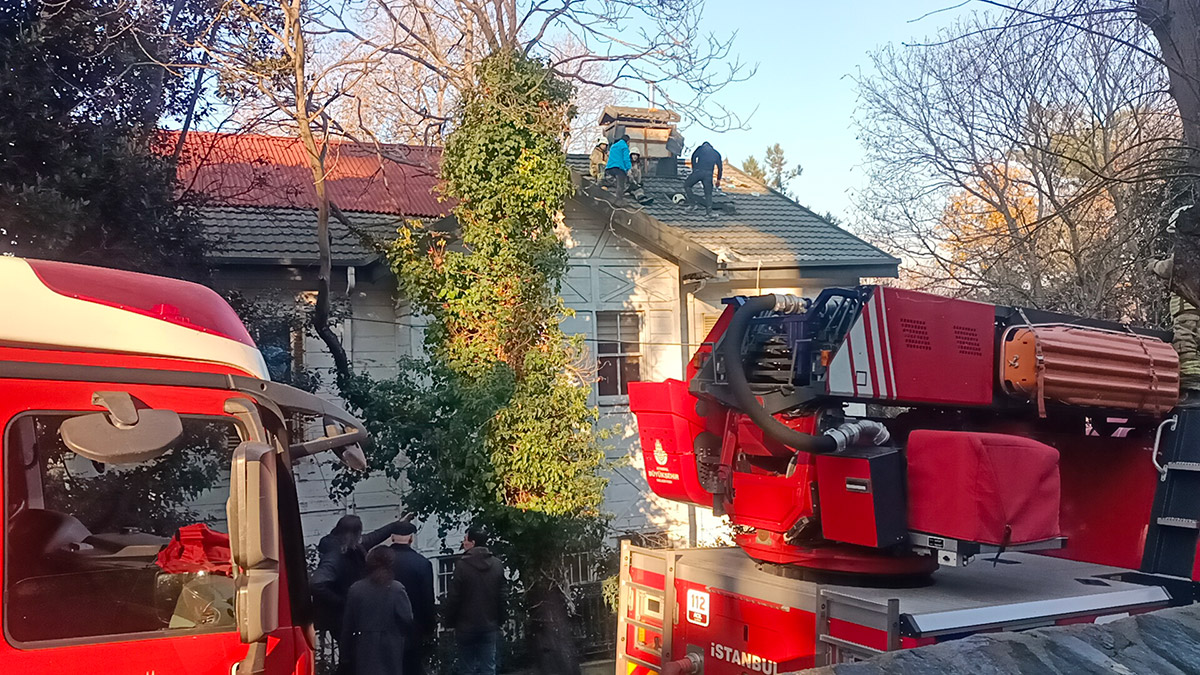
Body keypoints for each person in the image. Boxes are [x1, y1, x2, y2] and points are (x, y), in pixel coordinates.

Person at [310, 515, 404, 671]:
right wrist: (341, 601)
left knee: (354, 658)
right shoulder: (336, 556)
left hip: (347, 615)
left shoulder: (348, 547)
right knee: (353, 660)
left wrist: (396, 525)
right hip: (341, 617)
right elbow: (316, 583)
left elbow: (374, 536)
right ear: (355, 533)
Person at [341, 546, 413, 675]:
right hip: (391, 644)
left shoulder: (356, 589)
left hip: (364, 644)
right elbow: (407, 618)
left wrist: (345, 655)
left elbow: (348, 625)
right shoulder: (396, 588)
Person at [444, 527, 506, 675]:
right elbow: (502, 596)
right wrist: (501, 620)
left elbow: (454, 597)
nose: (463, 543)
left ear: (472, 542)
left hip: (465, 626)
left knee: (467, 668)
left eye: (465, 540)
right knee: (488, 667)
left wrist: (449, 622)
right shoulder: (497, 565)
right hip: (489, 624)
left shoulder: (462, 566)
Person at [389, 521, 435, 675]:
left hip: (385, 625)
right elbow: (427, 598)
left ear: (392, 538)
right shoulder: (422, 564)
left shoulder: (381, 561)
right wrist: (429, 626)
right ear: (411, 539)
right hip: (413, 625)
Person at [682, 141, 723, 215]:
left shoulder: (700, 149)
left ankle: (692, 204)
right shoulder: (716, 153)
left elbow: (694, 156)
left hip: (698, 171)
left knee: (687, 185)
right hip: (708, 174)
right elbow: (720, 167)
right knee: (708, 194)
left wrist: (694, 168)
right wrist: (718, 179)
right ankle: (709, 212)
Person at [605, 134, 632, 201]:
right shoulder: (624, 146)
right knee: (620, 185)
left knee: (613, 183)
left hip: (609, 168)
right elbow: (626, 159)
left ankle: (611, 196)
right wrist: (629, 168)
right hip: (618, 168)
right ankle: (618, 200)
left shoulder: (613, 146)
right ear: (628, 141)